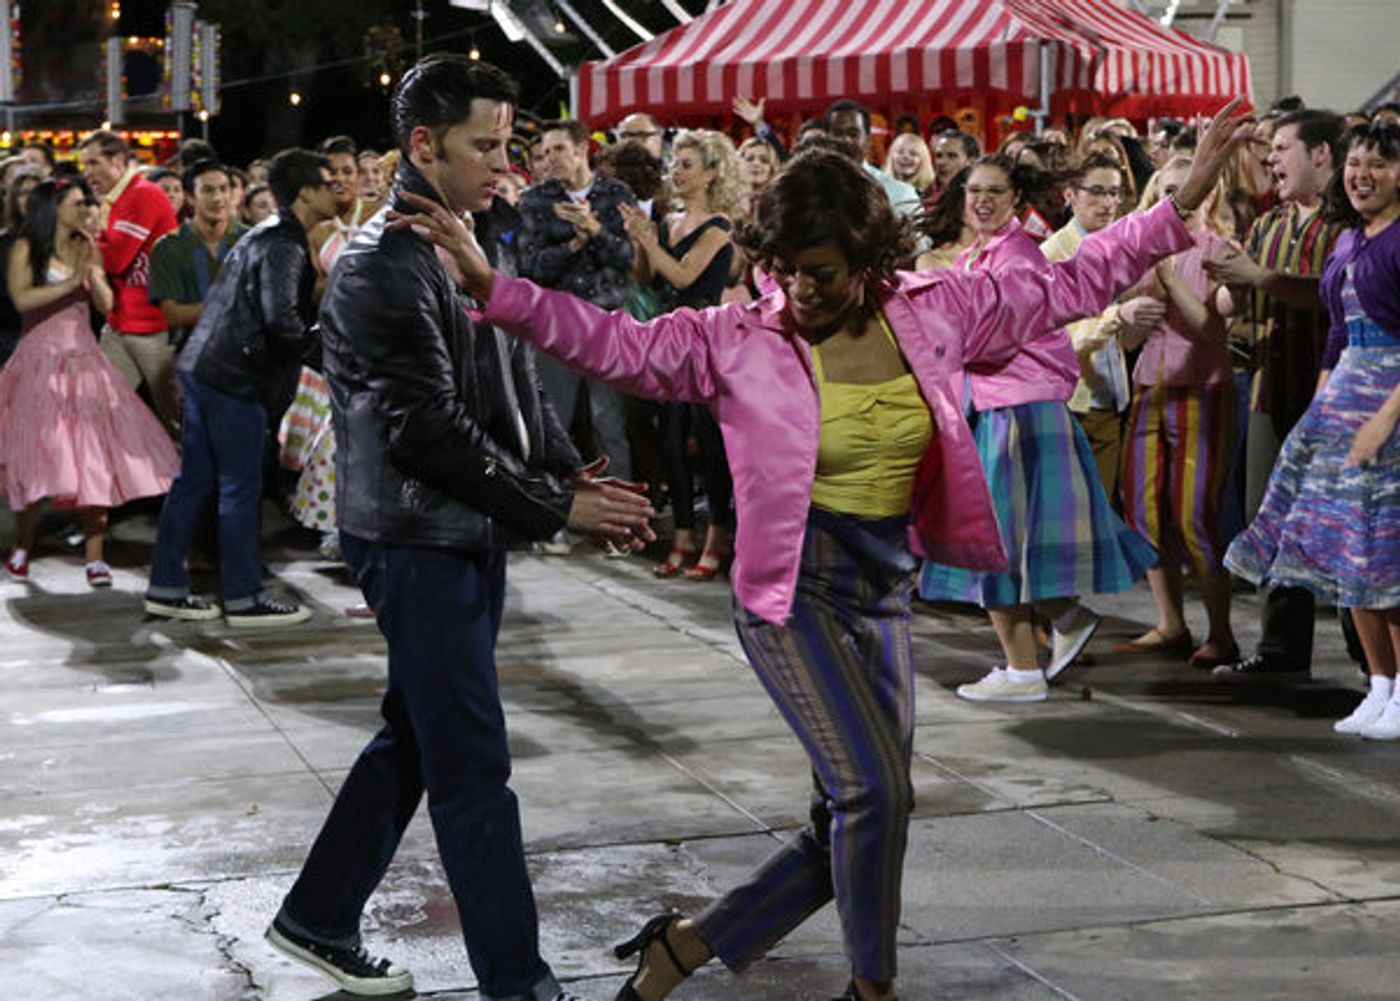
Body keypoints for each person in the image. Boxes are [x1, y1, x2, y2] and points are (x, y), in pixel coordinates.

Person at [397, 94, 1252, 1001]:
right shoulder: (737, 340)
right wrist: (498, 291)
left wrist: (1178, 202)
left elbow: (1070, 284)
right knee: (873, 797)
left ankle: (687, 945)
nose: (802, 288)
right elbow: (613, 342)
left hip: (883, 589)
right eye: (789, 270)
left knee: (859, 809)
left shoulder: (935, 312)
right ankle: (872, 989)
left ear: (870, 262)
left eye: (825, 272)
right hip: (790, 594)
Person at [266, 54, 649, 1001]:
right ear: (423, 145)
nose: (502, 162)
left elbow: (512, 377)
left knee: (418, 733)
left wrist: (570, 466)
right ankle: (519, 982)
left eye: (509, 143)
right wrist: (562, 507)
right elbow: (427, 430)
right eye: (486, 145)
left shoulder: (474, 237)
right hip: (414, 535)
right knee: (473, 765)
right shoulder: (376, 265)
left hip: (460, 529)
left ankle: (318, 913)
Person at [919, 155, 1156, 702]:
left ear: (1015, 198)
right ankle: (1064, 621)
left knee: (993, 542)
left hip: (1017, 412)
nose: (981, 201)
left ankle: (1025, 669)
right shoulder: (983, 252)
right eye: (974, 190)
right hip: (1001, 407)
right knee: (1003, 541)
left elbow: (983, 335)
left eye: (995, 193)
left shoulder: (1016, 257)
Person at [1225, 121, 1400, 736]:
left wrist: (1382, 420)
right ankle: (1380, 686)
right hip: (1345, 399)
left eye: (1379, 163)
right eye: (1357, 163)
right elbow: (1337, 328)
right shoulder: (1350, 241)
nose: (1362, 174)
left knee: (1385, 558)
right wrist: (1323, 407)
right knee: (1352, 552)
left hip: (1389, 406)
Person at [143, 149, 336, 628]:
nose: (339, 188)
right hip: (236, 380)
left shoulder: (264, 234)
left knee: (194, 483)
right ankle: (245, 597)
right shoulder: (283, 243)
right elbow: (281, 323)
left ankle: (166, 588)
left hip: (204, 369)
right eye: (329, 181)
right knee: (239, 488)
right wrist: (337, 351)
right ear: (306, 192)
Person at [1205, 109, 1347, 676]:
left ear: (1321, 156)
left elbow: (1333, 296)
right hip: (1268, 388)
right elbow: (1233, 303)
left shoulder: (1348, 227)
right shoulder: (1268, 225)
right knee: (1271, 517)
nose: (1270, 160)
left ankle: (1377, 664)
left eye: (1282, 148)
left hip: (1334, 395)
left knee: (1345, 523)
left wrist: (1258, 279)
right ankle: (1281, 650)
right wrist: (1228, 285)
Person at [0, 178, 178, 584]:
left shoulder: (88, 246)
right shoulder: (26, 247)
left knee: (93, 458)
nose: (86, 209)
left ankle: (95, 555)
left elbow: (107, 304)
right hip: (38, 365)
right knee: (36, 457)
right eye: (78, 202)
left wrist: (93, 275)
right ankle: (23, 543)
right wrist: (70, 280)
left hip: (84, 364)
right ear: (55, 206)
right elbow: (22, 300)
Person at [1117, 157, 1241, 668]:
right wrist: (1130, 310)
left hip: (1202, 392)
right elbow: (1125, 339)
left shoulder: (1220, 251)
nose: (1178, 198)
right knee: (1144, 511)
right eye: (1167, 190)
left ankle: (1221, 633)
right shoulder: (1140, 253)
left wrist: (1168, 284)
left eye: (1188, 189)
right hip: (1149, 387)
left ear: (1210, 195)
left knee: (1195, 517)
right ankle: (1170, 622)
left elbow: (1213, 332)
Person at [620, 129, 740, 580]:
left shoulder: (720, 227)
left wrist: (649, 241)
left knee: (707, 443)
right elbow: (650, 279)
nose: (677, 172)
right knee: (670, 440)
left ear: (711, 172)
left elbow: (687, 278)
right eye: (675, 163)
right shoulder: (668, 224)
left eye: (687, 164)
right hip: (672, 338)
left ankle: (718, 535)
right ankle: (684, 535)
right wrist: (639, 240)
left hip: (706, 340)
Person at [517, 118, 636, 488]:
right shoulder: (535, 200)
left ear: (582, 149)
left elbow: (629, 258)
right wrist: (575, 243)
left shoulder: (617, 195)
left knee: (610, 423)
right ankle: (555, 520)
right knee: (553, 424)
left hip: (607, 322)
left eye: (558, 150)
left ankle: (623, 522)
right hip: (557, 326)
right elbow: (531, 268)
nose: (549, 159)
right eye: (545, 152)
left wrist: (596, 229)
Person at [1043, 154, 1161, 503]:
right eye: (1097, 191)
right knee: (1070, 514)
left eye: (1115, 192)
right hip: (1071, 405)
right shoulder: (1053, 254)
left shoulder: (1118, 248)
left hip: (1111, 399)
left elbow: (1125, 338)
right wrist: (1118, 316)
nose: (1108, 202)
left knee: (1102, 511)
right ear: (1070, 195)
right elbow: (1060, 341)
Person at [79, 129, 180, 433]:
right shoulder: (115, 199)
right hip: (121, 322)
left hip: (154, 327)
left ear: (119, 160)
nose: (88, 173)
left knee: (174, 420)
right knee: (99, 410)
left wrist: (85, 242)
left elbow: (115, 260)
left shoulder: (144, 194)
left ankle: (192, 478)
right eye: (85, 165)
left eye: (95, 163)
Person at [147, 160, 247, 352]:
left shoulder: (253, 241)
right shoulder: (168, 247)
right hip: (192, 356)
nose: (218, 198)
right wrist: (236, 308)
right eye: (208, 190)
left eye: (223, 189)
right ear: (190, 198)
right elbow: (174, 314)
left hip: (247, 356)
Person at [825, 99, 921, 219]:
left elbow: (917, 237)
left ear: (868, 140)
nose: (845, 141)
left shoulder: (898, 194)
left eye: (853, 134)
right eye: (837, 134)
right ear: (825, 140)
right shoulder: (811, 191)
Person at [883, 133, 934, 200]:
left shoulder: (931, 193)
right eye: (900, 152)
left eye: (913, 154)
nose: (905, 156)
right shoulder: (879, 188)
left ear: (923, 160)